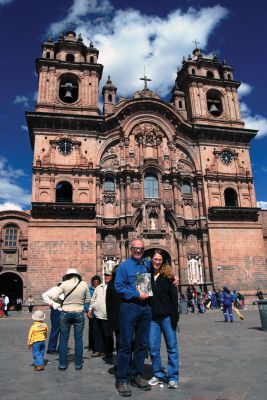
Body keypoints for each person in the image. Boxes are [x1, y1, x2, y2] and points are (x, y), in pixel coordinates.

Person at [115, 238, 152, 396]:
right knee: (125, 344)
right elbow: (118, 287)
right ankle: (122, 379)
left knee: (142, 344)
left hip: (145, 308)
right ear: (131, 250)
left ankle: (137, 375)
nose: (138, 251)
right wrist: (136, 294)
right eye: (136, 249)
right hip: (129, 308)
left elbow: (159, 271)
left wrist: (173, 279)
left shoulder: (146, 265)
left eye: (141, 249)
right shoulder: (124, 267)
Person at [43, 268, 90, 370]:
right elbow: (88, 299)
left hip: (65, 313)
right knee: (78, 340)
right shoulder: (84, 284)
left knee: (63, 340)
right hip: (79, 313)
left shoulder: (64, 284)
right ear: (77, 275)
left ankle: (63, 364)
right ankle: (78, 364)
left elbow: (54, 296)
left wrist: (60, 302)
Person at [148, 249, 179, 389]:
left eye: (159, 259)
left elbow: (174, 298)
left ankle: (173, 377)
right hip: (152, 319)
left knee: (171, 347)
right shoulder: (145, 276)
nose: (157, 261)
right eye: (155, 259)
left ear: (163, 261)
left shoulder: (169, 277)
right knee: (153, 348)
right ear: (151, 260)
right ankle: (158, 374)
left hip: (167, 317)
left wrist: (175, 318)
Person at [88, 270, 113, 359]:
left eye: (108, 275)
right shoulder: (99, 287)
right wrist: (90, 309)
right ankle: (99, 350)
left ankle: (108, 352)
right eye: (105, 275)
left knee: (108, 335)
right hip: (97, 314)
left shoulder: (113, 286)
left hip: (107, 315)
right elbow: (93, 299)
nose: (106, 277)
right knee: (97, 333)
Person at [42, 282, 65, 355]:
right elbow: (44, 295)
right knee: (55, 329)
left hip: (63, 310)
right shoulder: (55, 289)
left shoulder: (65, 289)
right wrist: (51, 303)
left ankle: (61, 347)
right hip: (57, 311)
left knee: (63, 330)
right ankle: (51, 348)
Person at [106, 264, 122, 356]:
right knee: (124, 339)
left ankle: (121, 360)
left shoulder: (111, 284)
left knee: (119, 338)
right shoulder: (124, 283)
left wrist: (109, 317)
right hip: (123, 316)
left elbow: (108, 303)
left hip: (115, 316)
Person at [85, 275, 101, 352]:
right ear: (92, 282)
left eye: (97, 282)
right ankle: (91, 346)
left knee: (99, 330)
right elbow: (87, 301)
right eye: (94, 282)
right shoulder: (89, 290)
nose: (96, 283)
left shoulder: (102, 289)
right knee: (92, 330)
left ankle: (99, 346)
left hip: (100, 313)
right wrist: (87, 310)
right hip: (92, 313)